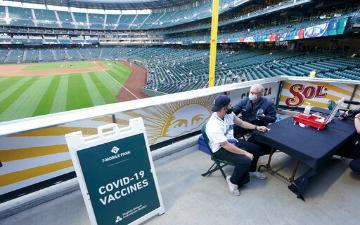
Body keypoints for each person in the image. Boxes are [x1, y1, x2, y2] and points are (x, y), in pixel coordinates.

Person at [205, 95, 269, 196]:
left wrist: (257, 127)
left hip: (232, 141)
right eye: (230, 105)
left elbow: (242, 123)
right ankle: (233, 181)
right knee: (246, 160)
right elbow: (225, 145)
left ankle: (251, 171)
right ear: (224, 108)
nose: (232, 106)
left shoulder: (229, 114)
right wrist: (245, 153)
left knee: (258, 149)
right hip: (220, 149)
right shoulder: (213, 126)